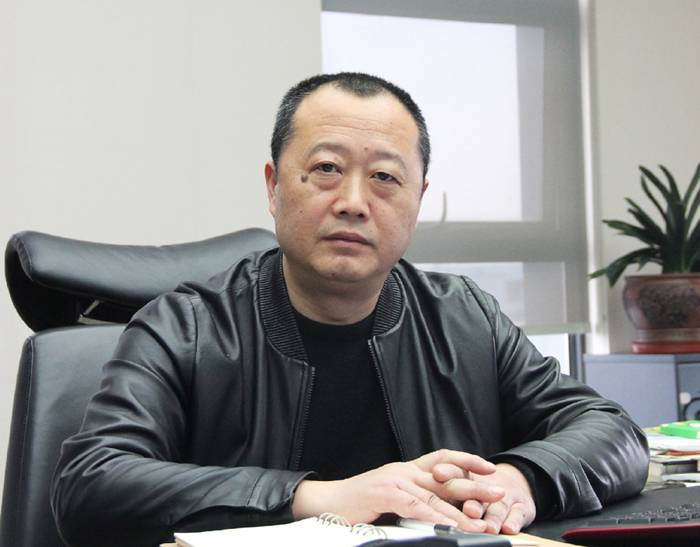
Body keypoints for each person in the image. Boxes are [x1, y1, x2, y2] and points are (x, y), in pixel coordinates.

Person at [51, 72, 649, 547]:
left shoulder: (465, 318)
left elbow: (613, 433)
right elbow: (90, 484)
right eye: (327, 170)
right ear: (274, 186)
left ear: (418, 200)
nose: (354, 202)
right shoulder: (186, 327)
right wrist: (322, 499)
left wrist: (522, 480)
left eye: (385, 177)